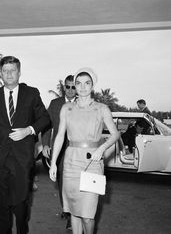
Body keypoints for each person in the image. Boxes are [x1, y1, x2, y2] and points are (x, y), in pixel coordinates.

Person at [0, 56, 50, 234]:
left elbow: (45, 118)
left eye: (13, 70)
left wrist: (29, 130)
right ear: (0, 73)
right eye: (5, 71)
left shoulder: (31, 93)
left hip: (22, 159)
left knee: (20, 203)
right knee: (0, 204)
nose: (9, 74)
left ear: (19, 72)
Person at [49, 67, 119, 234]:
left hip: (92, 162)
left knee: (87, 215)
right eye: (78, 83)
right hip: (71, 162)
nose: (82, 87)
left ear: (92, 85)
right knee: (74, 210)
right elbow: (60, 136)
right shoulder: (66, 108)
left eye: (87, 83)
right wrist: (53, 163)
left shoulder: (102, 108)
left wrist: (101, 149)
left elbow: (116, 134)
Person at [42, 74, 76, 230]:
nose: (70, 90)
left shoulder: (83, 103)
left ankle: (72, 215)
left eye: (73, 87)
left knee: (74, 183)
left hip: (77, 150)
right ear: (64, 88)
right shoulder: (55, 104)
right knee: (62, 182)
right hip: (59, 148)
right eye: (67, 87)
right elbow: (47, 125)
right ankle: (66, 210)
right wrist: (45, 144)